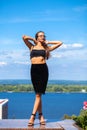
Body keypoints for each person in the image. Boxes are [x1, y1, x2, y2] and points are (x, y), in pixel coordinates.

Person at [22, 31, 63, 126]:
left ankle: (32, 116)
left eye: (44, 36)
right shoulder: (31, 47)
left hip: (43, 70)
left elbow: (60, 42)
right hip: (34, 70)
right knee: (38, 94)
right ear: (37, 37)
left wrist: (48, 42)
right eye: (40, 36)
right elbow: (24, 37)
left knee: (38, 95)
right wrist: (33, 40)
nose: (43, 37)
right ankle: (41, 116)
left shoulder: (46, 48)